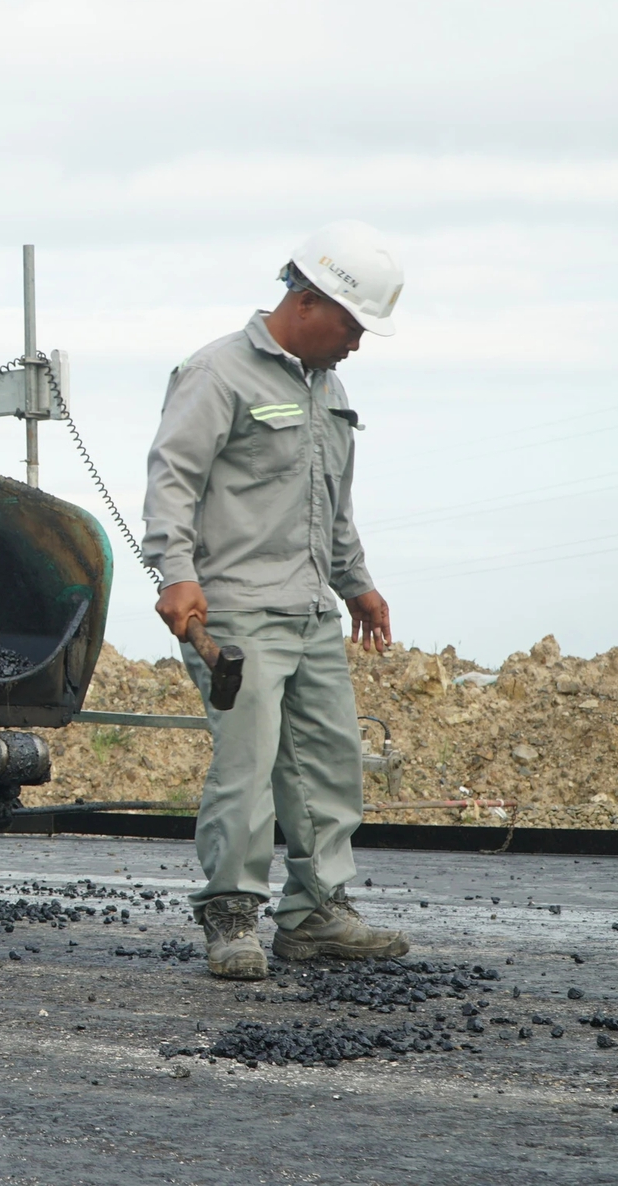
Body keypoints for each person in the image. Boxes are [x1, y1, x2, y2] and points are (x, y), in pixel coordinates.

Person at [140, 220, 411, 981]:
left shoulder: (331, 387)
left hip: (310, 610)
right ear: (310, 302)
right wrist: (174, 573)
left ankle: (317, 913)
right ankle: (232, 915)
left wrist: (355, 581)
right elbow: (173, 480)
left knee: (328, 763)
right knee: (247, 767)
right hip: (235, 612)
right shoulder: (217, 374)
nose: (357, 343)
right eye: (354, 326)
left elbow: (334, 501)